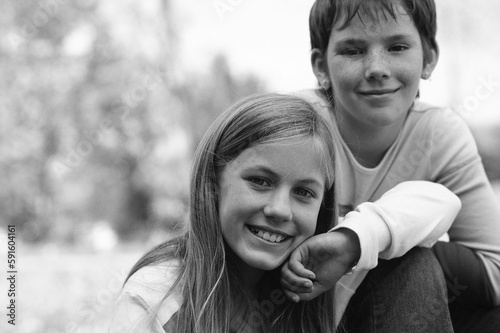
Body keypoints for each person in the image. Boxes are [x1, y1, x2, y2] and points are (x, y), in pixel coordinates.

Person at [109, 93, 460, 332]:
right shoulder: (158, 294)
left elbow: (442, 203)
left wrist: (353, 242)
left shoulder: (319, 269)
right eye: (260, 181)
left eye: (304, 193)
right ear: (213, 183)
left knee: (414, 262)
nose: (279, 210)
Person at [282, 0, 500, 331]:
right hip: (296, 311)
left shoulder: (439, 135)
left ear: (428, 58)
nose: (376, 68)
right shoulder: (295, 125)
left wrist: (372, 243)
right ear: (321, 66)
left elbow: (494, 271)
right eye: (353, 51)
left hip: (395, 309)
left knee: (416, 263)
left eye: (397, 47)